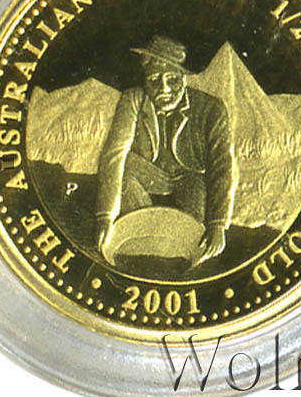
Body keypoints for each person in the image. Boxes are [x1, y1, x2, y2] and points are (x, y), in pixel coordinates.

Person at [95, 35, 236, 264]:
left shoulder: (211, 109)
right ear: (145, 79)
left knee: (192, 233)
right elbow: (114, 154)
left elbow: (222, 166)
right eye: (154, 80)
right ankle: (141, 247)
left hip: (189, 179)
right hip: (144, 176)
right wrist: (105, 216)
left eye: (172, 79)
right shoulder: (133, 99)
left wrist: (218, 223)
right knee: (127, 182)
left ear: (184, 78)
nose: (165, 88)